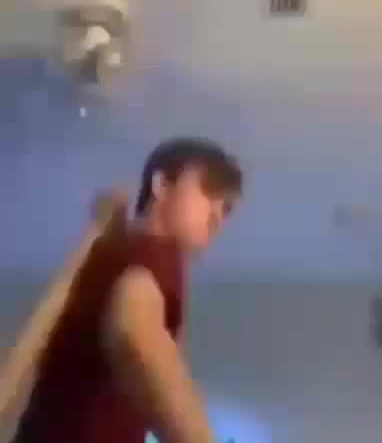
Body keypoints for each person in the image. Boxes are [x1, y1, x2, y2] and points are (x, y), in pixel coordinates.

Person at [10, 137, 243, 443]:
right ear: (161, 185)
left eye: (226, 207)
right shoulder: (157, 252)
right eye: (208, 190)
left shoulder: (111, 257)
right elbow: (132, 329)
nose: (218, 215)